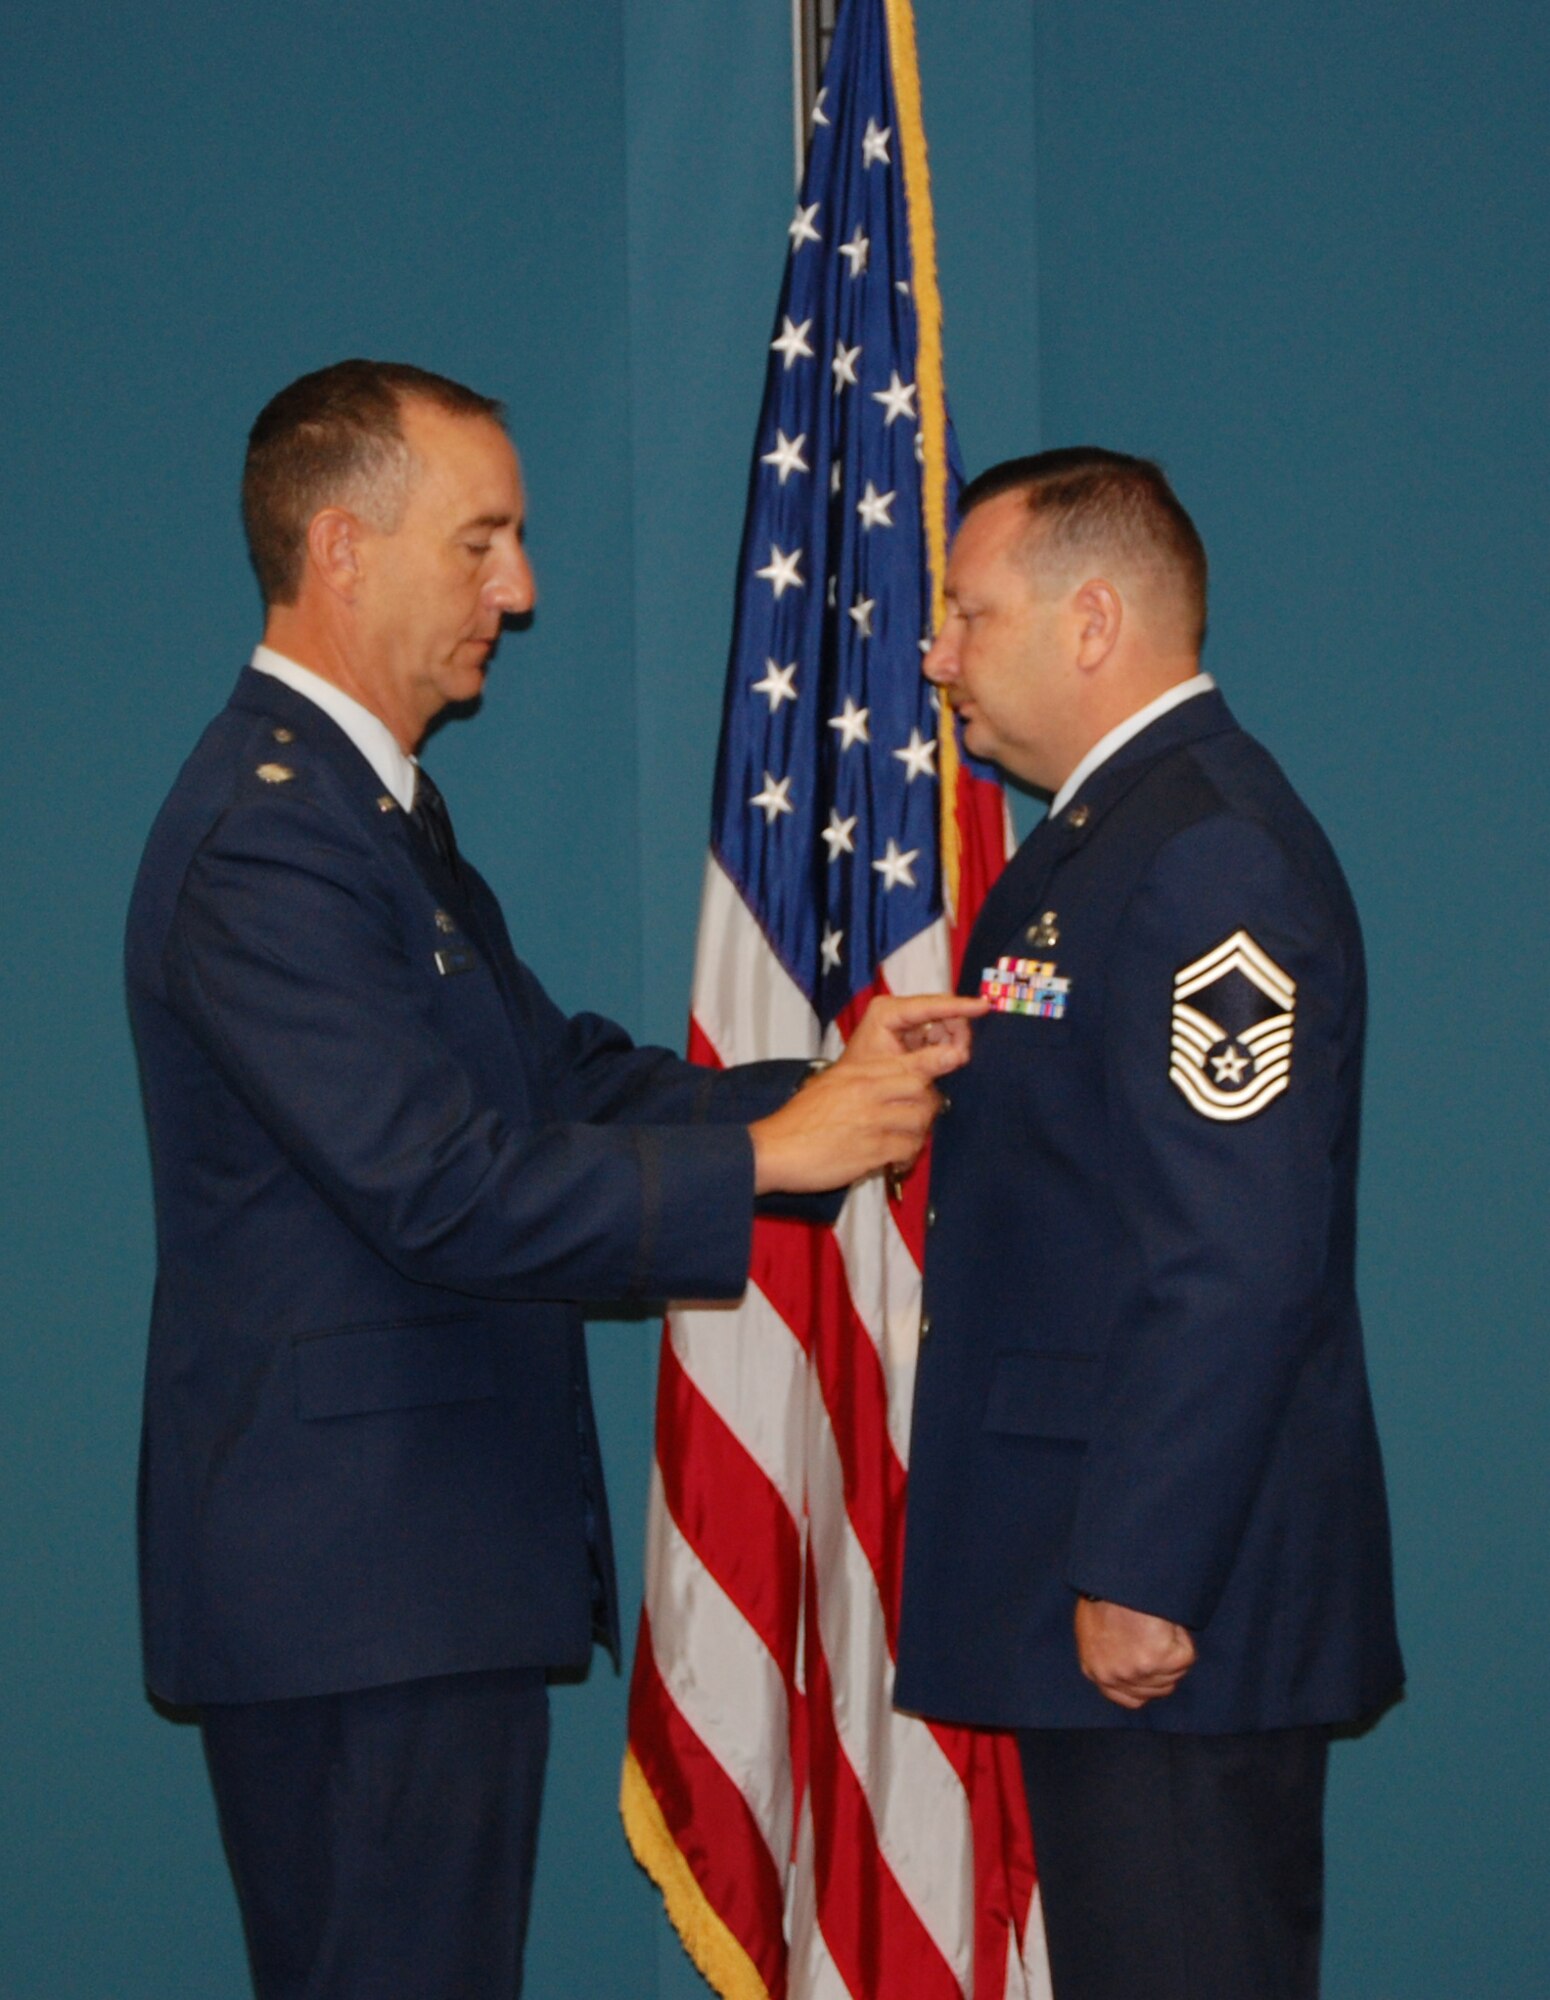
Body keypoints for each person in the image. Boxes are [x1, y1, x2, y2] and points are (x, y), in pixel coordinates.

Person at [125, 358, 980, 2000]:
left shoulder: (369, 817)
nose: (516, 592)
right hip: (358, 1602)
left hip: (408, 1588)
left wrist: (832, 1089)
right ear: (340, 548)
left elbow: (561, 1080)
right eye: (481, 542)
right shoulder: (270, 837)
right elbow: (442, 1188)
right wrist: (771, 1155)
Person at [895, 449, 1403, 1999]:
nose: (936, 656)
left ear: (1092, 620)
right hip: (1117, 1588)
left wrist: (1142, 1564)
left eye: (968, 614)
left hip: (1174, 1609)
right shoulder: (1097, 844)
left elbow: (1235, 1256)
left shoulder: (1203, 854)